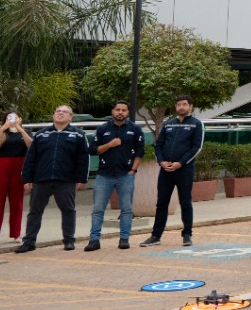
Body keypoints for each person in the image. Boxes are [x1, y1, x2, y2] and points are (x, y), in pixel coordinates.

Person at [15, 105, 90, 253]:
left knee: (68, 210)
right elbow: (31, 158)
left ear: (71, 117)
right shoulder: (41, 134)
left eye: (64, 112)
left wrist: (82, 179)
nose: (60, 114)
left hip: (66, 180)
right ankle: (29, 242)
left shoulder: (79, 135)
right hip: (41, 179)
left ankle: (69, 240)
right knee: (35, 211)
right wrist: (26, 178)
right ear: (53, 115)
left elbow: (83, 159)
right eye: (58, 111)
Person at [140, 96, 204, 248]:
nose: (181, 107)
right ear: (175, 107)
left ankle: (187, 234)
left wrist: (180, 163)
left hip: (184, 170)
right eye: (178, 105)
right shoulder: (168, 124)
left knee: (185, 202)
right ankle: (156, 236)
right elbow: (158, 145)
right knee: (161, 204)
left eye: (184, 104)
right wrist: (161, 161)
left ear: (190, 106)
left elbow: (196, 148)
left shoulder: (197, 124)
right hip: (165, 171)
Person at [86, 101, 145, 251]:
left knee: (126, 209)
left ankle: (124, 238)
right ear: (112, 111)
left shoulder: (135, 129)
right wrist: (109, 145)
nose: (120, 112)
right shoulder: (103, 129)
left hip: (126, 175)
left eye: (123, 110)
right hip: (104, 175)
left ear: (128, 113)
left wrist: (133, 170)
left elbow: (140, 152)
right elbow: (92, 149)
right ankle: (94, 240)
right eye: (117, 109)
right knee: (98, 209)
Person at [0, 110, 31, 242]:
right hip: (1, 165)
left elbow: (31, 146)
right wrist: (2, 128)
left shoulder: (25, 132)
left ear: (20, 119)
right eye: (9, 117)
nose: (12, 120)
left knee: (17, 202)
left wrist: (19, 129)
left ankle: (16, 233)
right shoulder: (2, 132)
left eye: (15, 117)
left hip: (19, 165)